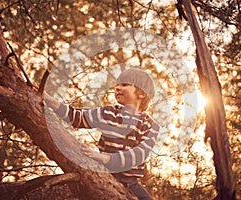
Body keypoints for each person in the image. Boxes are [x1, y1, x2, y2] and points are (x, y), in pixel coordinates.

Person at [44, 68, 160, 200]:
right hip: (103, 174)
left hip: (130, 184)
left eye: (124, 84)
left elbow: (140, 154)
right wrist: (49, 100)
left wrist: (107, 158)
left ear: (142, 93)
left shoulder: (151, 125)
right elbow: (78, 117)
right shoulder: (108, 113)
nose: (117, 88)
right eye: (117, 85)